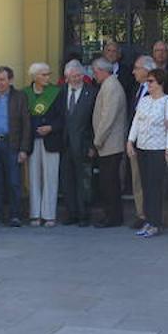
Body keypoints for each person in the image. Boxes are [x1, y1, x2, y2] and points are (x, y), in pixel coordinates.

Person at [127, 68, 168, 237]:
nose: (147, 84)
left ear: (160, 83)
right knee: (146, 187)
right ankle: (148, 220)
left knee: (156, 187)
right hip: (143, 149)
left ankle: (156, 223)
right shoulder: (144, 101)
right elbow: (136, 121)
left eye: (151, 81)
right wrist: (130, 141)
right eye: (147, 81)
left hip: (158, 151)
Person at [0, 65, 32, 227]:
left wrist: (24, 149)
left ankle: (15, 215)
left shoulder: (19, 97)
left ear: (10, 80)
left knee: (14, 181)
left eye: (2, 79)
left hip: (12, 143)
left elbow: (26, 124)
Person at [23, 62, 65, 226]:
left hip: (51, 140)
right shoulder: (25, 93)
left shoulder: (56, 93)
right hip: (32, 141)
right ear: (34, 77)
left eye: (48, 74)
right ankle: (35, 214)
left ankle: (49, 214)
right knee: (33, 178)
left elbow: (63, 117)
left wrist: (51, 127)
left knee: (50, 177)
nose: (48, 77)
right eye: (44, 74)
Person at [91, 57, 127, 227]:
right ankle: (111, 215)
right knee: (107, 182)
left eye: (95, 71)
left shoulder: (111, 86)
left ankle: (113, 217)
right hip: (108, 143)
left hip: (110, 144)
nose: (93, 75)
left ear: (102, 71)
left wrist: (97, 140)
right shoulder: (108, 84)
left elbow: (108, 117)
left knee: (109, 182)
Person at [60, 60, 97, 227]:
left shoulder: (92, 93)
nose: (76, 79)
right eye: (72, 76)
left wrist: (92, 145)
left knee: (83, 181)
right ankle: (71, 213)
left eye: (79, 75)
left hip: (83, 144)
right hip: (64, 144)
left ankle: (84, 214)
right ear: (66, 77)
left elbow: (94, 122)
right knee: (67, 180)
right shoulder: (60, 93)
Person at [126, 54, 155, 228]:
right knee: (137, 179)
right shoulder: (138, 89)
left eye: (137, 68)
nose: (133, 72)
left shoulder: (156, 89)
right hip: (135, 142)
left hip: (150, 143)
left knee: (148, 180)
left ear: (146, 70)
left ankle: (149, 214)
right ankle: (141, 213)